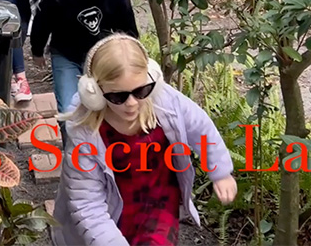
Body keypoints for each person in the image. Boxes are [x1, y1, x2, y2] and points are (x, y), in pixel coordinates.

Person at [52, 34, 238, 246]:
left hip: (160, 206)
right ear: (93, 92)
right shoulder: (84, 134)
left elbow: (201, 127)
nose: (131, 103)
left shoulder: (166, 102)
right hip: (109, 216)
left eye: (141, 91)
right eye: (118, 96)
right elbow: (87, 205)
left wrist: (221, 171)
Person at [30, 0, 138, 142]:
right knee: (69, 110)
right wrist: (37, 50)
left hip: (102, 59)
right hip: (67, 54)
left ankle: (103, 152)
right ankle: (73, 153)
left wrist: (130, 61)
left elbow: (130, 32)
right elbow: (42, 23)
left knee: (108, 107)